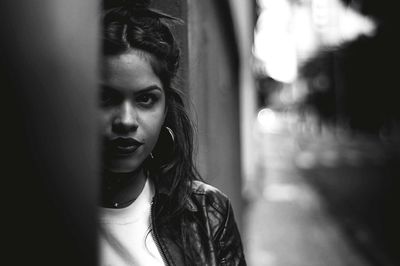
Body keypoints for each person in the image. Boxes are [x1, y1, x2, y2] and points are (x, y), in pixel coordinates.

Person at [99, 0, 246, 265]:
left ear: (166, 107)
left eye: (145, 99)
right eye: (105, 98)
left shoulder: (208, 213)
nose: (126, 120)